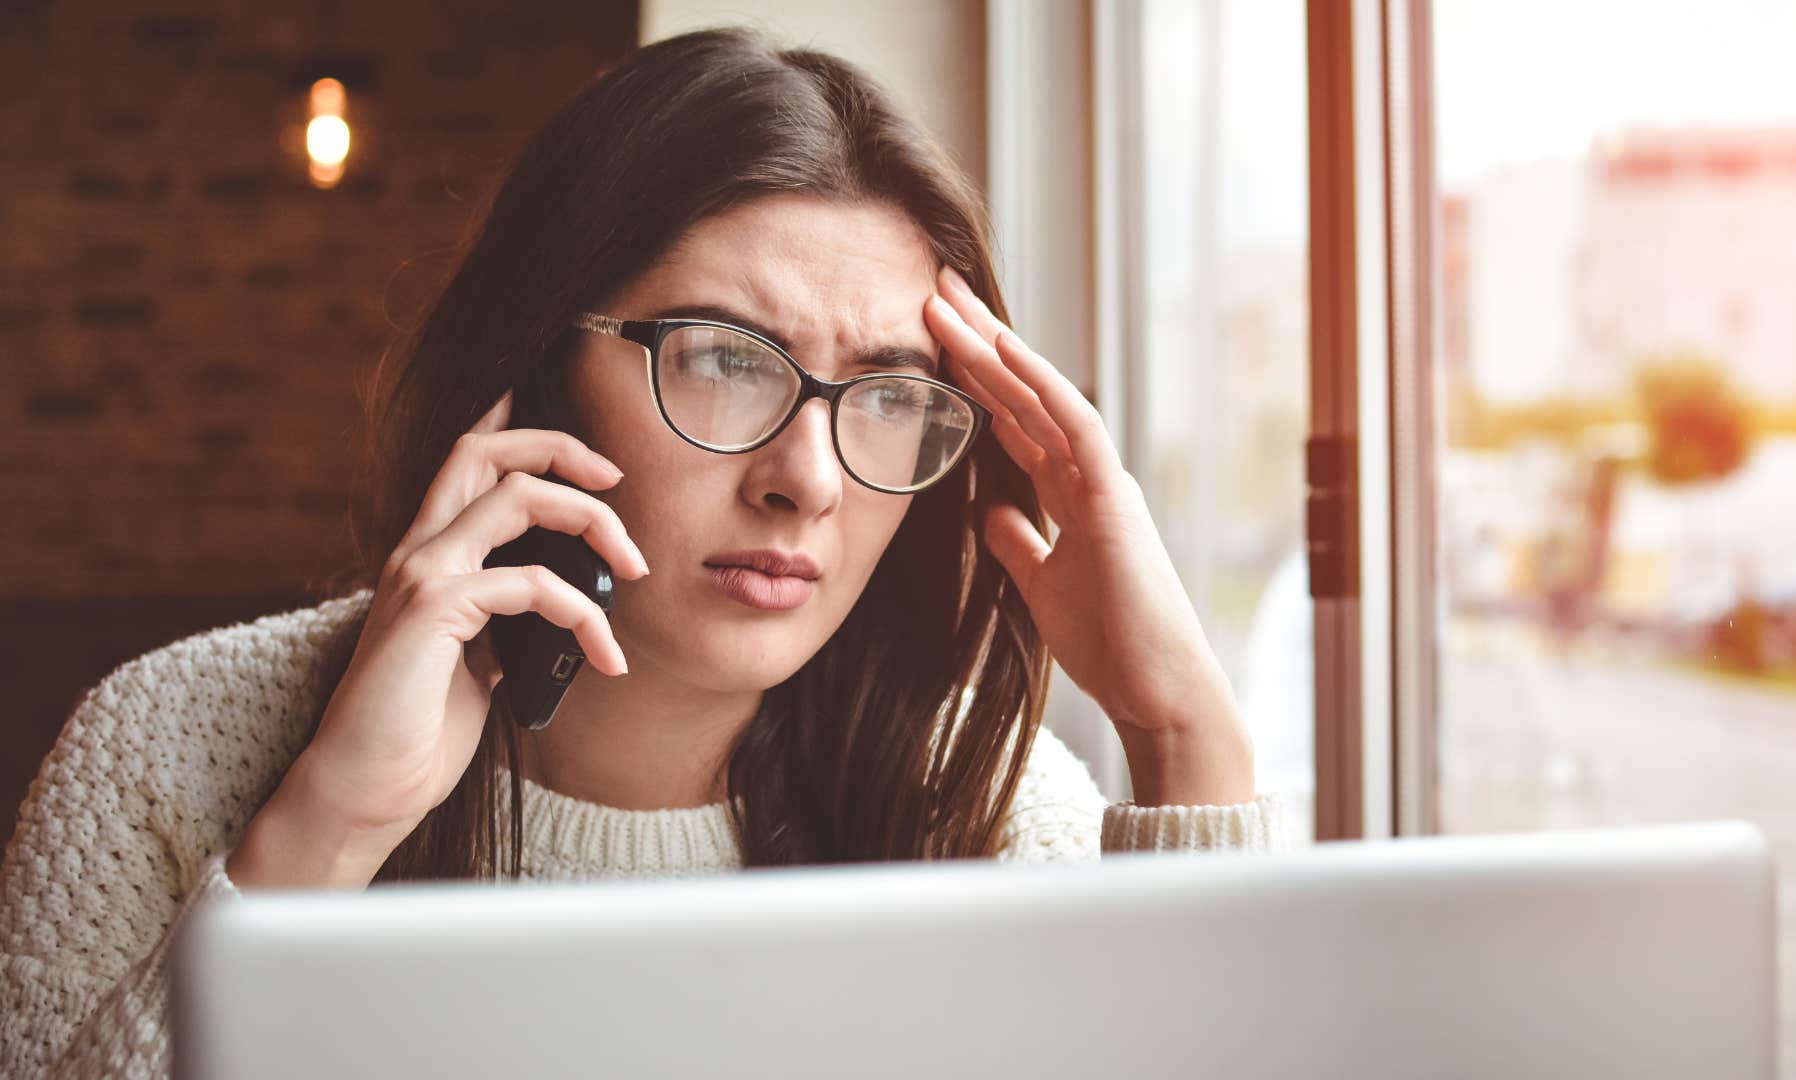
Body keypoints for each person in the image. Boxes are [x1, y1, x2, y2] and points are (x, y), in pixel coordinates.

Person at [0, 27, 1288, 1078]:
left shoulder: (986, 811)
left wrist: (1182, 729)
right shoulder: (167, 755)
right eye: (729, 360)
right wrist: (326, 832)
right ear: (538, 363)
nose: (810, 481)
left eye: (889, 393)